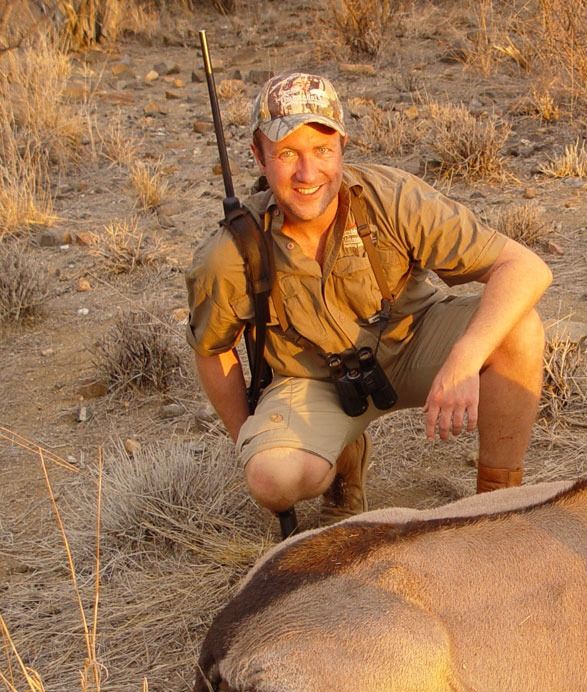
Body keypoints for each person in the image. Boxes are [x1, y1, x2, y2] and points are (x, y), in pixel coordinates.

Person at [186, 72, 551, 529]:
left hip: (414, 343)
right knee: (271, 478)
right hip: (313, 379)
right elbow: (213, 348)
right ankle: (343, 464)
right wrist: (251, 439)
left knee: (518, 330)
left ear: (343, 145)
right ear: (258, 156)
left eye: (322, 150)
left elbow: (525, 267)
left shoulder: (391, 198)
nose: (307, 174)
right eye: (287, 153)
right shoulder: (230, 252)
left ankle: (498, 507)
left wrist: (465, 357)